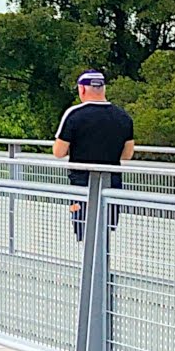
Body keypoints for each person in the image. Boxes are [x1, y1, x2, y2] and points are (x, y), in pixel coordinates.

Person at [53, 70, 135, 241]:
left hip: (82, 184)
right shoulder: (123, 116)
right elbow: (127, 154)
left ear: (82, 89)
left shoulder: (74, 114)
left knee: (84, 229)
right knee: (105, 230)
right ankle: (102, 266)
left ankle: (90, 266)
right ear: (103, 89)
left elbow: (58, 152)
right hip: (112, 183)